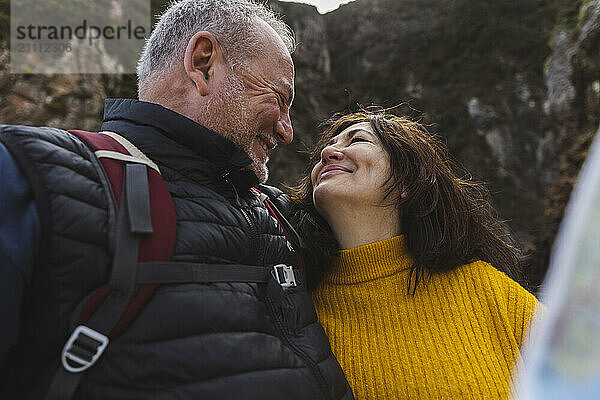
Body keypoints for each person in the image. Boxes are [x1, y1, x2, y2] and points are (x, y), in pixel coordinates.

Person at [0, 1, 353, 399]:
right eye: (279, 97)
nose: (287, 131)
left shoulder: (281, 214)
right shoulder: (27, 173)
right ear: (203, 64)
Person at [288, 109, 540, 399]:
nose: (329, 152)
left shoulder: (485, 290)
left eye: (357, 140)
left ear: (407, 182)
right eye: (327, 147)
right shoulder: (296, 308)